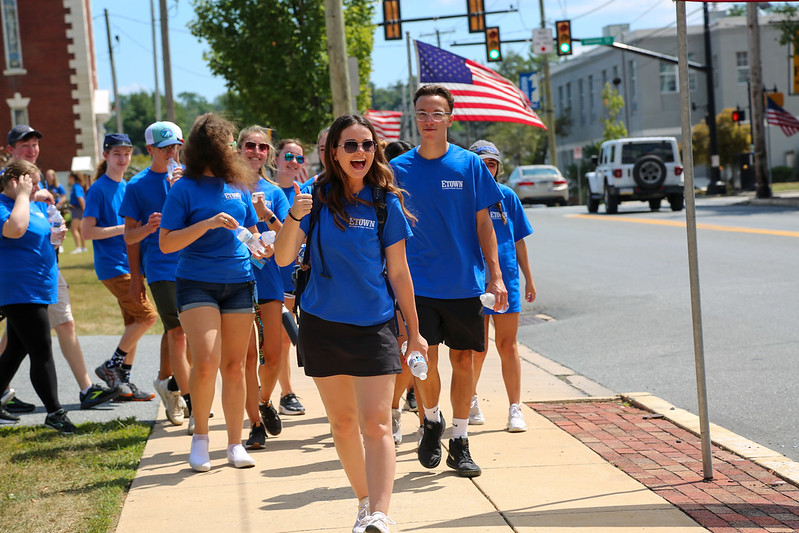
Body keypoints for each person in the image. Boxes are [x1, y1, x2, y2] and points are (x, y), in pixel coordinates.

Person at [275, 113, 426, 533]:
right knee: (342, 424)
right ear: (333, 153)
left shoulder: (384, 201)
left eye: (367, 145)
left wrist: (414, 332)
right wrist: (293, 216)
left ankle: (381, 512)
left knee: (376, 423)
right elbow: (284, 258)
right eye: (351, 145)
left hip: (375, 326)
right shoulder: (313, 196)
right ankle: (363, 503)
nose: (360, 152)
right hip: (322, 324)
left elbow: (399, 272)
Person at [390, 84, 507, 478]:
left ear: (449, 119)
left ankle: (459, 440)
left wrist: (495, 274)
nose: (428, 120)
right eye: (422, 113)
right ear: (415, 117)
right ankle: (431, 421)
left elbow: (484, 222)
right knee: (423, 362)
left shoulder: (469, 165)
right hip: (417, 284)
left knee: (464, 361)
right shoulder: (399, 169)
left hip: (464, 283)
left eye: (436, 113)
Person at [159, 112, 264, 472]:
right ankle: (201, 437)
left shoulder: (238, 184)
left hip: (239, 280)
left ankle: (235, 443)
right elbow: (167, 242)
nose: (235, 148)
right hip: (196, 281)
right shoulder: (184, 188)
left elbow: (250, 231)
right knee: (206, 363)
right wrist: (206, 223)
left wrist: (261, 246)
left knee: (234, 367)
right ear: (211, 147)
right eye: (229, 142)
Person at [1, 125, 118, 414]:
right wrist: (26, 197)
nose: (32, 149)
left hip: (43, 269)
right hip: (20, 276)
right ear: (9, 151)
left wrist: (55, 227)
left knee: (21, 338)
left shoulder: (34, 185)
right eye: (24, 145)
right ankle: (66, 403)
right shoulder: (11, 186)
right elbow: (14, 226)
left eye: (35, 144)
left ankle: (84, 388)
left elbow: (39, 221)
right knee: (37, 340)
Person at [120, 121, 192, 427]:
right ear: (150, 149)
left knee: (180, 331)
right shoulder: (137, 185)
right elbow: (129, 237)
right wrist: (136, 278)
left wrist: (182, 190)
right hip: (161, 267)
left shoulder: (190, 179)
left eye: (175, 146)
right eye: (164, 148)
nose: (171, 153)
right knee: (179, 332)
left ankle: (167, 382)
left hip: (193, 262)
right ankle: (191, 401)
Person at [0, 159, 76, 432]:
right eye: (31, 182)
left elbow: (41, 234)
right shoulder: (5, 205)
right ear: (15, 181)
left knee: (16, 350)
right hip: (19, 290)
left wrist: (57, 234)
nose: (36, 188)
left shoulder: (32, 204)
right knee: (42, 350)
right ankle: (55, 412)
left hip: (38, 287)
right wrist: (22, 195)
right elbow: (16, 229)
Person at [83, 134, 158, 402]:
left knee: (134, 321)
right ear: (106, 156)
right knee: (148, 317)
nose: (123, 159)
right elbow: (87, 231)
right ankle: (111, 365)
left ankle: (123, 382)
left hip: (130, 263)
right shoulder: (98, 189)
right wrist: (125, 230)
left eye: (126, 153)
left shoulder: (126, 186)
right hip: (113, 266)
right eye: (117, 154)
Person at [467, 140, 536, 432]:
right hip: (473, 283)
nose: (487, 168)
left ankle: (514, 408)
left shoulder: (507, 196)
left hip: (506, 281)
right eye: (481, 163)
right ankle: (469, 400)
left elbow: (518, 240)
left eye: (492, 163)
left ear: (498, 167)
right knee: (477, 349)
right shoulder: (464, 198)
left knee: (507, 345)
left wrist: (528, 278)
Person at [236, 125, 288, 449]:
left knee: (274, 353)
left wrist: (265, 215)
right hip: (238, 279)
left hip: (269, 279)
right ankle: (255, 425)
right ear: (239, 149)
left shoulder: (276, 192)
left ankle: (265, 401)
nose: (256, 152)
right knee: (247, 356)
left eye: (262, 147)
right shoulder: (226, 189)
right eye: (250, 146)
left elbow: (288, 236)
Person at [272, 138, 307, 416]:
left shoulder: (305, 191)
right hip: (272, 273)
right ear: (276, 158)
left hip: (299, 277)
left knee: (296, 337)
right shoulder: (267, 191)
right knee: (282, 339)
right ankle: (286, 393)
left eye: (299, 158)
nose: (293, 162)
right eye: (288, 156)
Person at [67, 172, 88, 253]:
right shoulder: (78, 186)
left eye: (69, 177)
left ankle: (78, 248)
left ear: (72, 178)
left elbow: (80, 198)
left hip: (78, 210)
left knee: (73, 229)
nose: (68, 179)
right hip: (79, 209)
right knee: (79, 229)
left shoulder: (76, 186)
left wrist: (84, 210)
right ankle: (83, 247)